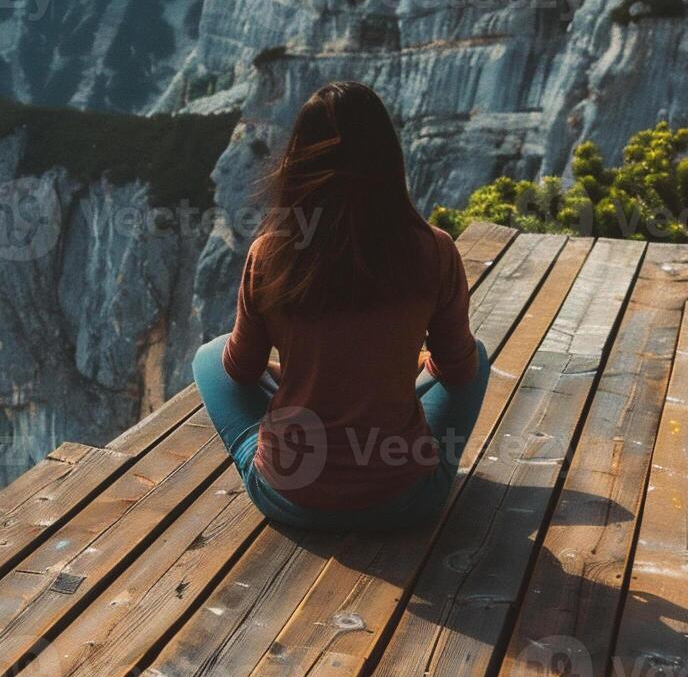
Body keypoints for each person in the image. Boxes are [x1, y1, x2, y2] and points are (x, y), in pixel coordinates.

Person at [192, 81, 491, 530]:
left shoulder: (273, 253)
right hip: (406, 500)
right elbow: (459, 370)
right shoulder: (435, 251)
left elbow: (241, 371)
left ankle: (268, 451)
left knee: (210, 357)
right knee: (477, 356)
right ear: (389, 160)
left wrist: (289, 375)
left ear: (297, 160)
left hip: (291, 497)